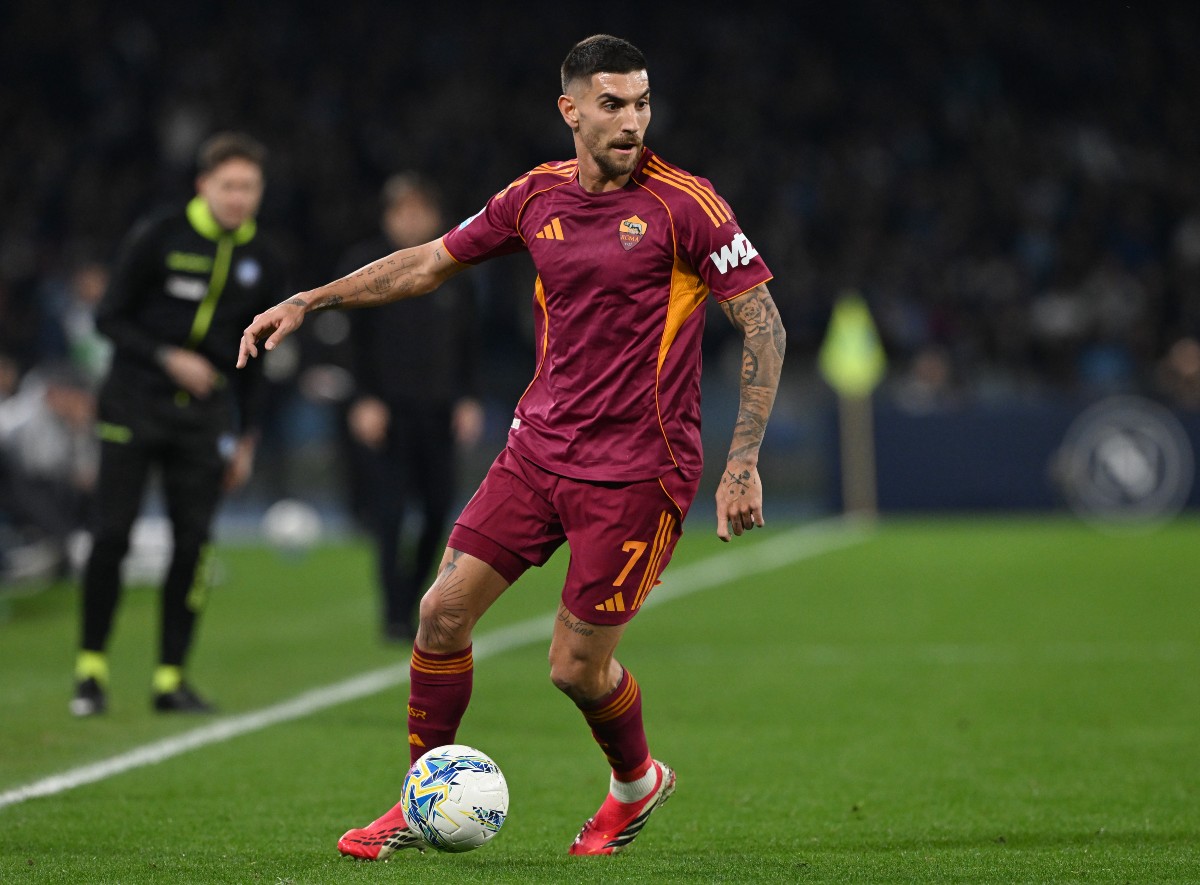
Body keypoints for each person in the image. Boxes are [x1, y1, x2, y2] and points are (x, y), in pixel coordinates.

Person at [238, 35, 785, 857]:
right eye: (612, 104)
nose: (632, 120)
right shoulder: (534, 196)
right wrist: (311, 301)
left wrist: (741, 461)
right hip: (538, 451)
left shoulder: (687, 205)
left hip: (640, 470)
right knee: (440, 612)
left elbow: (763, 323)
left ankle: (636, 784)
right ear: (571, 110)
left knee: (574, 668)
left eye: (641, 103)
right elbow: (429, 261)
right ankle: (420, 802)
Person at [71, 132, 286, 717]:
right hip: (133, 406)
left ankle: (171, 679)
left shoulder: (263, 258)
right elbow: (108, 318)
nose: (239, 198)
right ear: (203, 186)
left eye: (249, 187)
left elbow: (259, 361)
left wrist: (246, 440)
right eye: (229, 186)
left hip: (204, 422)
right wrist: (168, 358)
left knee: (192, 547)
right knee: (111, 536)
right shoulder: (159, 235)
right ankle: (90, 670)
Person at [336, 173, 484, 643]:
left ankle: (413, 595)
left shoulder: (454, 269)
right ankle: (395, 612)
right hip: (387, 412)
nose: (413, 218)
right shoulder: (366, 266)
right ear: (388, 216)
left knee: (441, 510)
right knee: (390, 512)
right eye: (403, 210)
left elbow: (469, 342)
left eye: (421, 209)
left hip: (438, 410)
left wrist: (468, 397)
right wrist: (361, 398)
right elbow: (347, 340)